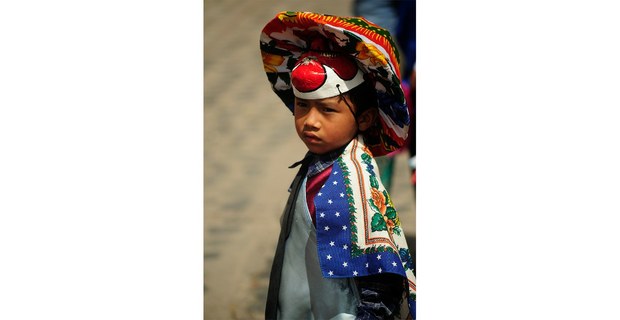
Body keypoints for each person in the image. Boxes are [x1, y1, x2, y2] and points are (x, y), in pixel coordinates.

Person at [260, 11, 416, 320]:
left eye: (327, 110)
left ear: (366, 118)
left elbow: (379, 280)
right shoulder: (319, 163)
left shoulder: (352, 184)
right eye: (302, 105)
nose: (310, 122)